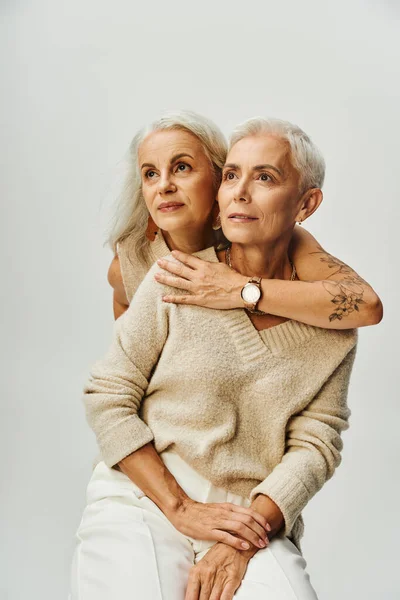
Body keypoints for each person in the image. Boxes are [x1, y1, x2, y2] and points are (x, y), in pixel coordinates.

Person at [69, 113, 381, 600]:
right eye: (233, 174)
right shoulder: (170, 274)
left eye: (265, 177)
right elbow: (110, 394)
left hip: (251, 511)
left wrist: (251, 530)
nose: (241, 191)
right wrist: (179, 507)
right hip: (150, 492)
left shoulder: (329, 317)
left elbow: (316, 442)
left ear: (307, 203)